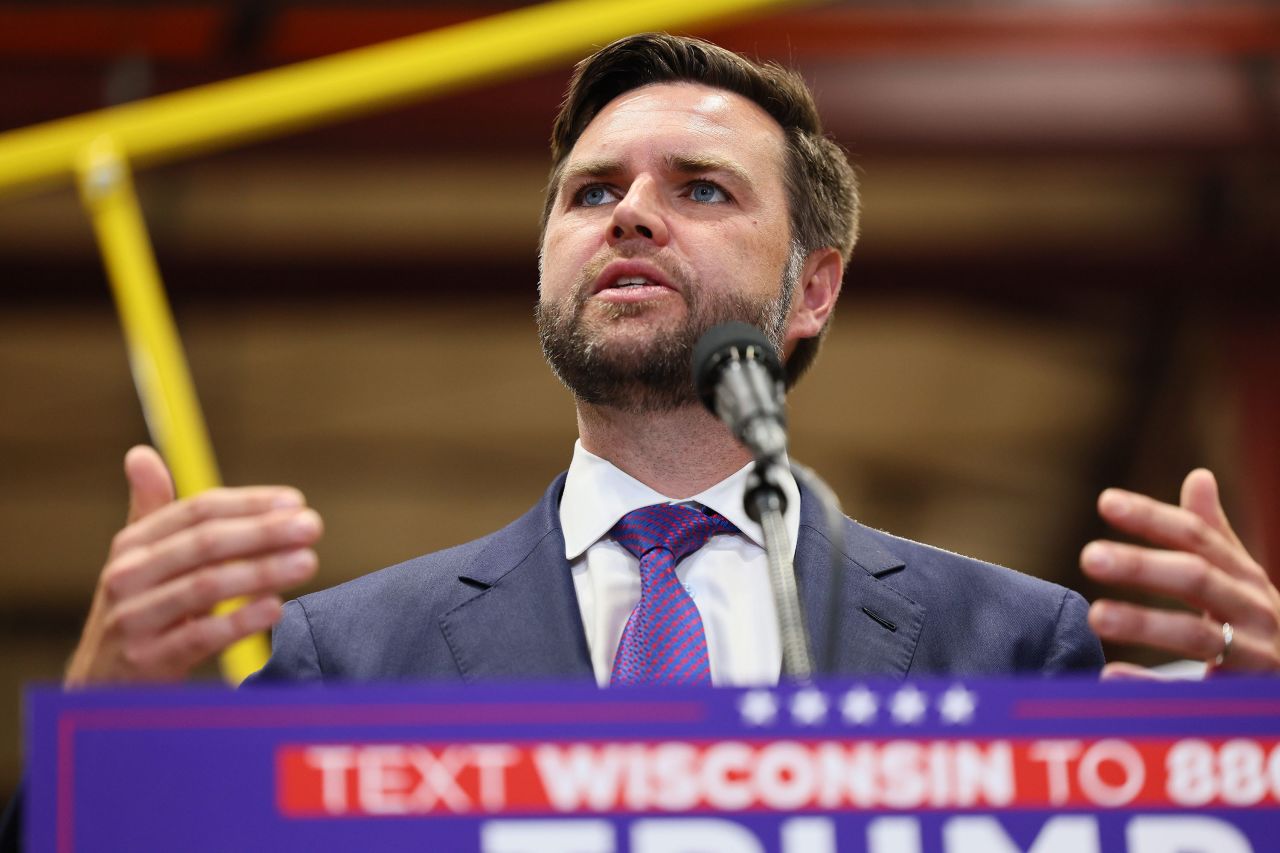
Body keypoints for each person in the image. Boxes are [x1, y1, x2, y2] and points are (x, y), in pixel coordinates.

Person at [62, 34, 1279, 688]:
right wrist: (103, 734)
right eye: (591, 192)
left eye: (698, 189)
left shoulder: (1011, 642)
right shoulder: (352, 657)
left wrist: (1257, 761)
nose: (628, 214)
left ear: (813, 287)